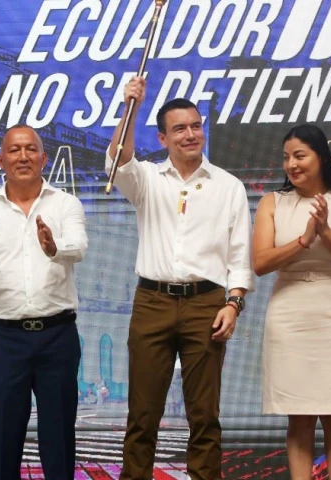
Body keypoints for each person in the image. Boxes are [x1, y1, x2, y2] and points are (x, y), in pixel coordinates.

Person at [105, 76, 253, 480]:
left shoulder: (229, 186)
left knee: (204, 415)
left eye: (196, 125)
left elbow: (240, 256)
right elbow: (116, 160)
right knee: (143, 415)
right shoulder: (148, 179)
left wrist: (233, 303)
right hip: (152, 302)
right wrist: (129, 107)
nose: (190, 135)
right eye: (180, 129)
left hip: (208, 304)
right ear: (163, 137)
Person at [0, 124, 87, 480]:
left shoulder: (65, 204)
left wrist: (53, 247)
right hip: (5, 339)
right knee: (2, 435)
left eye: (31, 149)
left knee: (59, 434)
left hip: (57, 335)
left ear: (44, 158)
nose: (23, 156)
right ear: (0, 160)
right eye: (14, 150)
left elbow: (79, 247)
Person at [252, 124, 331, 480]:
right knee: (298, 416)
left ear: (321, 157)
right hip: (289, 314)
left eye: (300, 156)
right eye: (287, 157)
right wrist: (304, 240)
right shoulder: (273, 202)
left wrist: (325, 231)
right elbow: (260, 264)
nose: (292, 164)